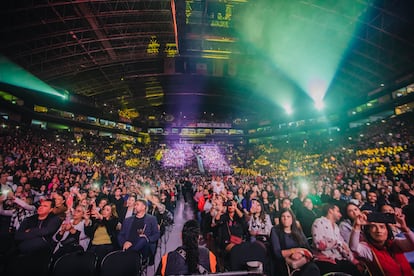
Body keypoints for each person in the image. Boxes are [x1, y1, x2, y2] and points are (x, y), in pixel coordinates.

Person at [350, 209, 414, 275]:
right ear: (368, 232)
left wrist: (405, 228)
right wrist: (357, 225)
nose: (379, 230)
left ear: (387, 230)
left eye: (382, 227)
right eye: (374, 227)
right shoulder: (368, 250)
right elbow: (353, 247)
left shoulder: (395, 242)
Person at [311, 203, 361, 275]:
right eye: (338, 211)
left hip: (339, 259)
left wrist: (353, 260)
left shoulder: (336, 227)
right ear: (330, 211)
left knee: (356, 270)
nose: (340, 215)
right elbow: (319, 244)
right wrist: (338, 243)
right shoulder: (319, 222)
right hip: (324, 259)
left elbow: (343, 246)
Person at [270, 208, 320, 276]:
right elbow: (277, 253)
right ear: (280, 218)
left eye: (288, 216)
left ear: (292, 218)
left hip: (301, 260)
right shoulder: (275, 230)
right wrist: (296, 250)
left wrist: (301, 254)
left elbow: (308, 248)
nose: (285, 219)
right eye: (283, 216)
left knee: (313, 268)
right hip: (284, 263)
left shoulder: (297, 229)